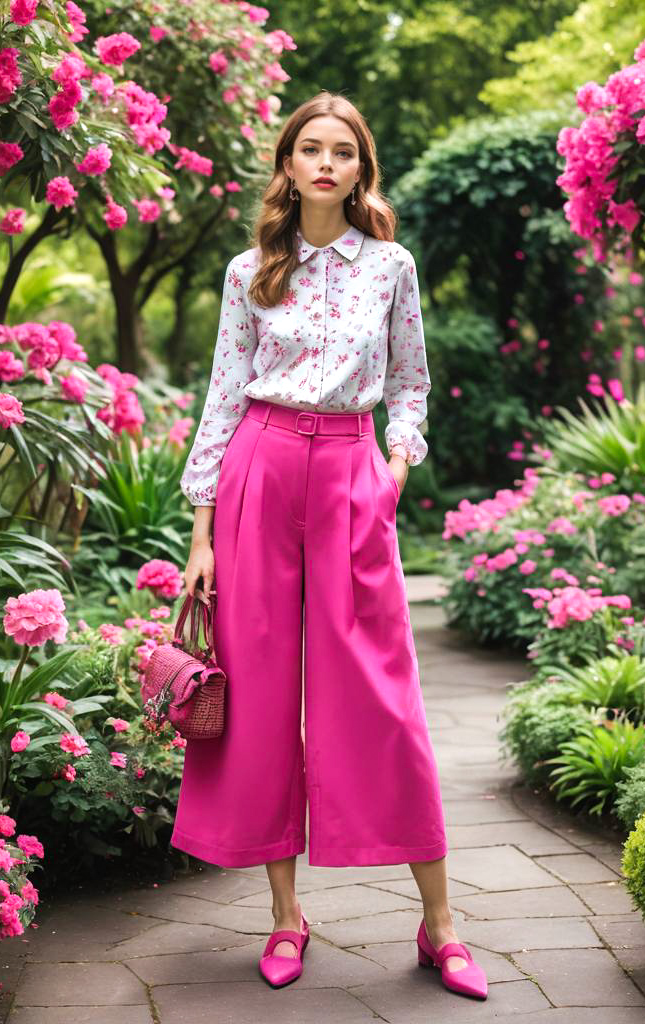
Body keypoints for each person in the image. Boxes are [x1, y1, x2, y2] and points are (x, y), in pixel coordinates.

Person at [175, 90, 488, 1001]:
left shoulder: (391, 265)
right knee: (263, 695)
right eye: (308, 148)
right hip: (259, 472)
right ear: (287, 164)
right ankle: (284, 918)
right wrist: (200, 531)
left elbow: (412, 383)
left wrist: (395, 467)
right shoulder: (249, 270)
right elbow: (224, 395)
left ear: (361, 169)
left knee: (382, 696)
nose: (323, 163)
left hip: (353, 473)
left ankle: (440, 926)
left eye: (340, 152)